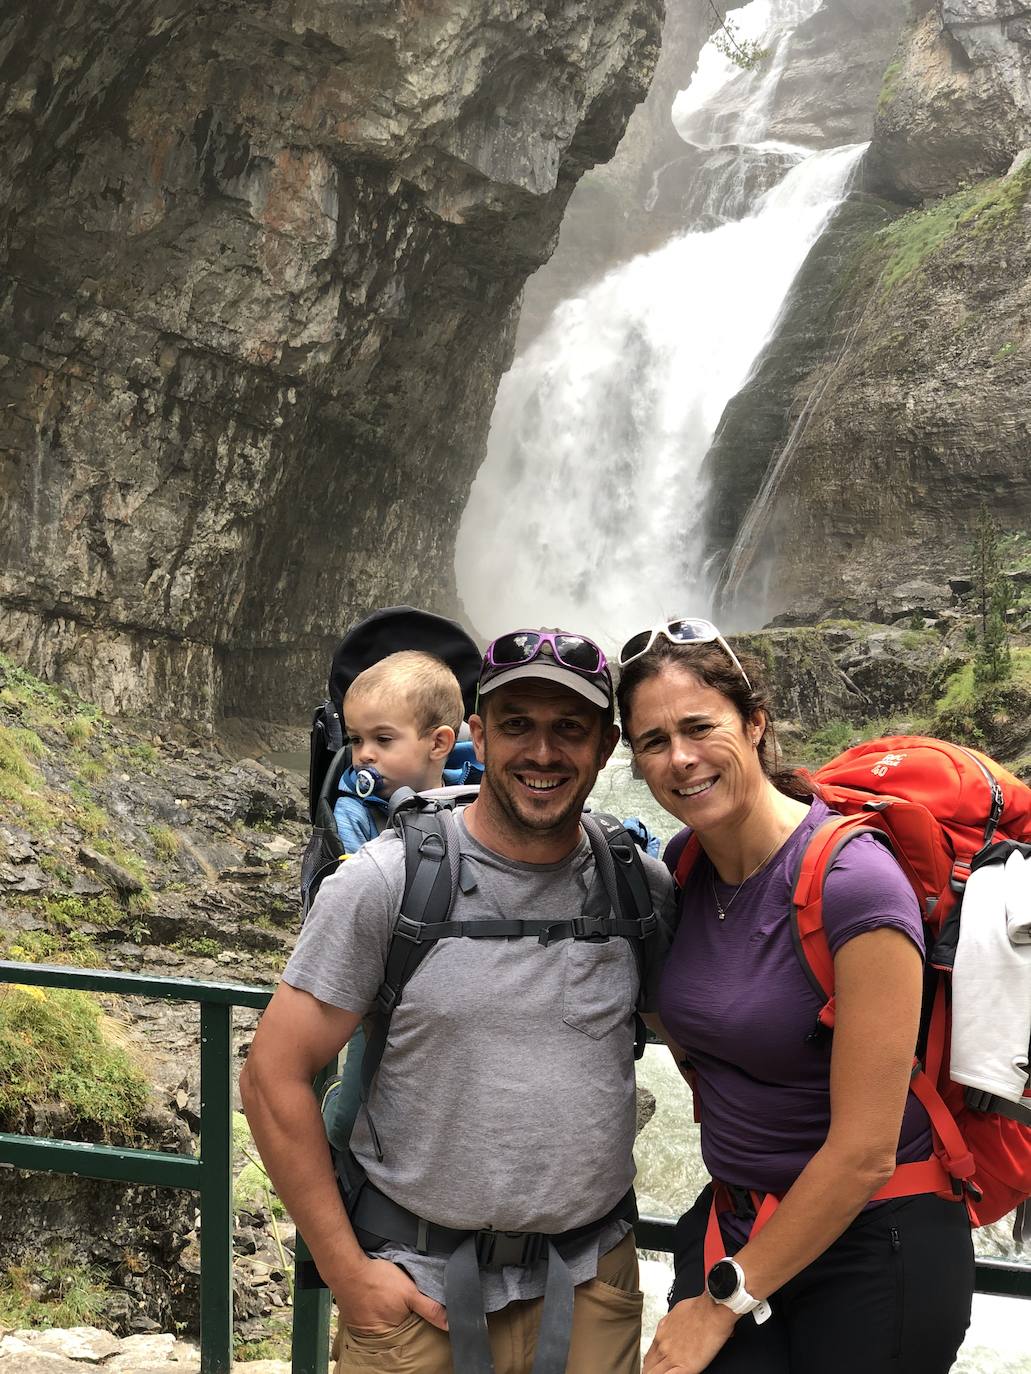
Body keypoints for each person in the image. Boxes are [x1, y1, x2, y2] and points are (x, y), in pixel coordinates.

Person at [241, 627, 675, 1374]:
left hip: (590, 1286)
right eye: (516, 726)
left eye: (569, 728)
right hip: (414, 1289)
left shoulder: (638, 887)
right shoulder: (384, 883)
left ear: (605, 748)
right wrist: (347, 1272)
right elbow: (270, 1077)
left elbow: (710, 1046)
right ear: (476, 733)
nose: (543, 752)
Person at [615, 619, 974, 1374]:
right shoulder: (684, 866)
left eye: (698, 728)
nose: (679, 759)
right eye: (652, 741)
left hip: (878, 1248)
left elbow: (864, 1154)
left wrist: (720, 1305)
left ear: (753, 723)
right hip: (737, 1219)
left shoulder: (853, 885)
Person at [332, 649, 468, 853]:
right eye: (356, 739)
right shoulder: (354, 814)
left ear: (438, 744)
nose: (364, 754)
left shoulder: (470, 802)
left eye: (383, 739)